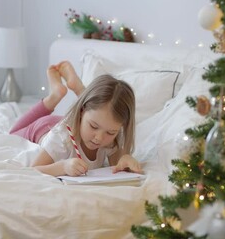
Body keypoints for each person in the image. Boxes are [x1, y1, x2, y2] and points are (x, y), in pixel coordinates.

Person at [10, 61, 142, 177]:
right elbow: (32, 170)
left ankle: (79, 88)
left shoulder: (110, 134)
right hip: (43, 128)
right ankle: (55, 95)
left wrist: (125, 159)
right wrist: (62, 167)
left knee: (96, 109)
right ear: (81, 113)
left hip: (73, 121)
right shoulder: (60, 138)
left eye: (110, 132)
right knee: (13, 133)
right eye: (94, 127)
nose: (99, 138)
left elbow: (117, 164)